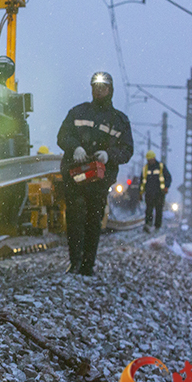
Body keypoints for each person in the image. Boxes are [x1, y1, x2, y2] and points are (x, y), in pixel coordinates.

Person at [57, 71, 133, 276]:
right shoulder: (78, 112)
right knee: (75, 218)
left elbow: (127, 150)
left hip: (99, 180)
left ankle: (87, 265)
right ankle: (75, 262)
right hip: (76, 175)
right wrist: (75, 147)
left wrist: (109, 155)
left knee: (93, 220)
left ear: (110, 90)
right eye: (96, 87)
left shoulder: (119, 121)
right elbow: (63, 135)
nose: (99, 91)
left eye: (103, 87)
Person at [139, 150, 172, 233]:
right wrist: (140, 193)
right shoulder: (145, 168)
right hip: (149, 193)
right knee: (148, 210)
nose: (149, 161)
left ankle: (157, 226)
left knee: (158, 210)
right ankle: (148, 225)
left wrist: (166, 186)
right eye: (148, 160)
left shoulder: (161, 166)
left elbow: (168, 177)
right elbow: (142, 181)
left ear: (154, 158)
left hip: (159, 193)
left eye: (150, 159)